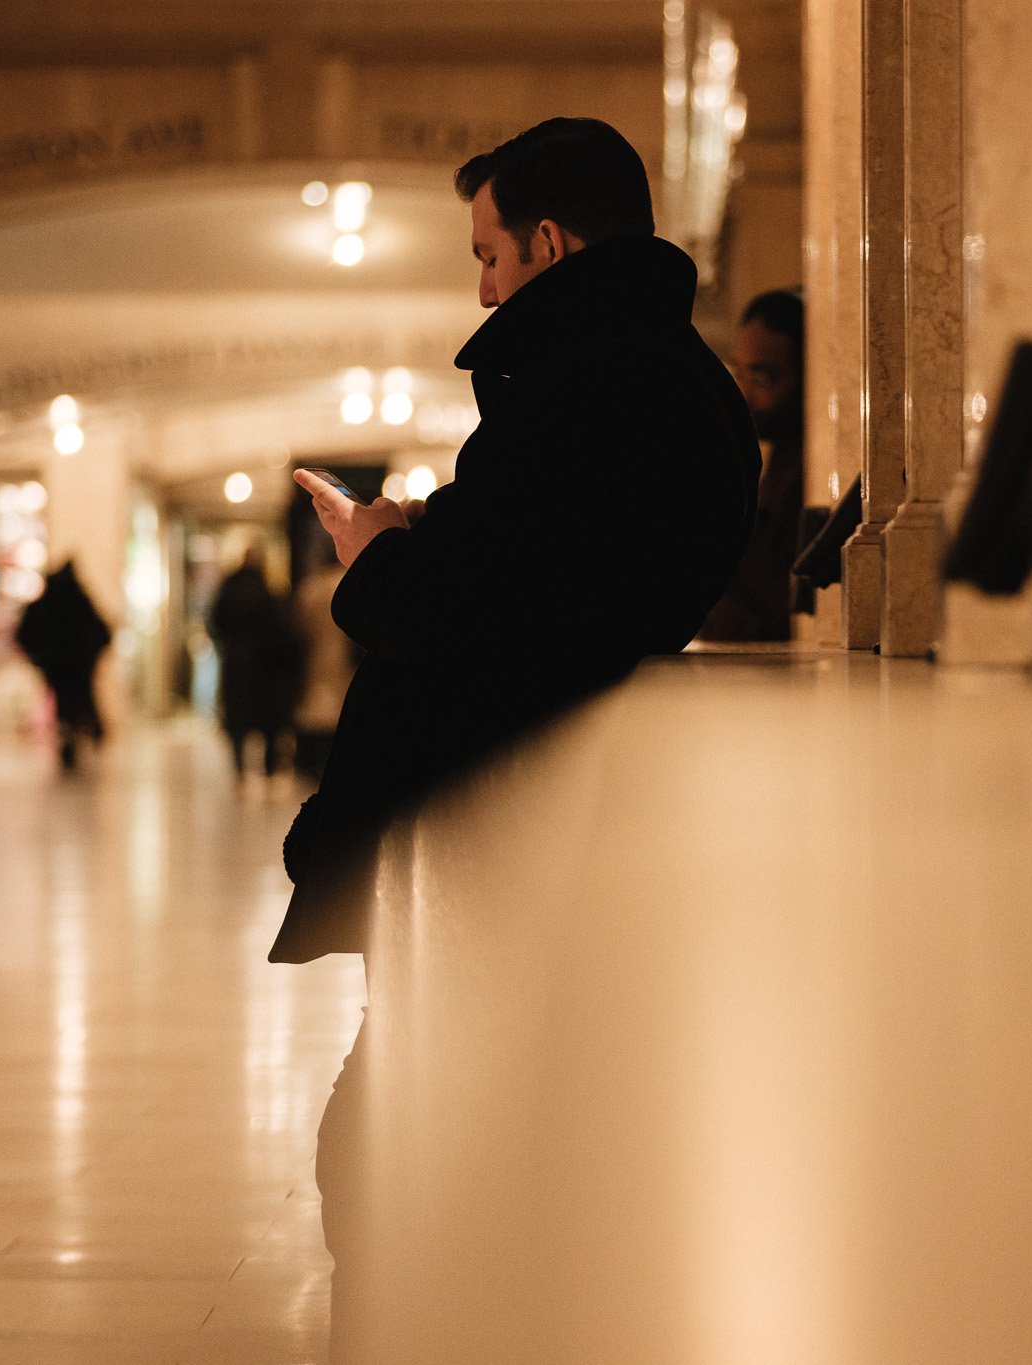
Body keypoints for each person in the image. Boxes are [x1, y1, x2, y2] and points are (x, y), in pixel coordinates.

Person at [274, 116, 758, 1351]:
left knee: (390, 1148)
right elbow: (548, 577)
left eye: (489, 255)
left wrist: (379, 558)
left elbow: (468, 616)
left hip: (497, 820)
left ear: (547, 242)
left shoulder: (578, 388)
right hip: (557, 812)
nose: (482, 286)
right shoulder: (672, 386)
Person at [699, 289, 807, 642]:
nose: (743, 393)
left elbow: (790, 602)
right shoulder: (774, 454)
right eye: (740, 374)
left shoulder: (811, 469)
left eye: (762, 378)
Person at [207, 548, 302, 777]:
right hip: (262, 667)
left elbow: (215, 624)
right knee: (265, 718)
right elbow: (278, 632)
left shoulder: (229, 590)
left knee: (237, 717)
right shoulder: (268, 591)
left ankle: (240, 767)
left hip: (235, 662)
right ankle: (267, 767)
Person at [14, 562, 111, 771]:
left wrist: (39, 657)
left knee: (68, 703)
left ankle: (78, 731)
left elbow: (24, 633)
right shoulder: (80, 603)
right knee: (80, 699)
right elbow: (103, 633)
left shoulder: (47, 604)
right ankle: (86, 728)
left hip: (58, 668)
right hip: (77, 667)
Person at [289, 550, 355, 783]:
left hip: (315, 654)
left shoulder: (311, 587)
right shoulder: (352, 579)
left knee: (315, 703)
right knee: (341, 703)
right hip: (345, 654)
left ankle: (313, 762)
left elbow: (297, 624)